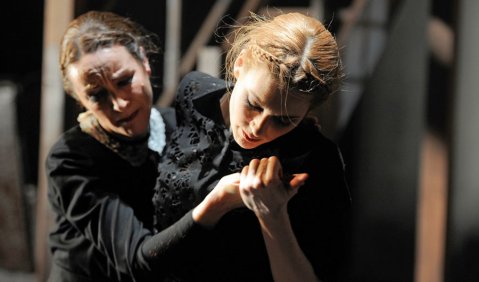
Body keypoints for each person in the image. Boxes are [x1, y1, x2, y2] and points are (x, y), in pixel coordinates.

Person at [46, 10, 262, 281]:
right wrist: (217, 203)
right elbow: (137, 260)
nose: (119, 104)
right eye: (96, 95)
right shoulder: (71, 158)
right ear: (78, 98)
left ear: (145, 62)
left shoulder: (177, 125)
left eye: (124, 81)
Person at [153, 12, 352, 282]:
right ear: (240, 63)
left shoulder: (313, 161)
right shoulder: (194, 92)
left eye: (284, 120)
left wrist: (272, 214)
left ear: (307, 113)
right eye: (253, 104)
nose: (258, 128)